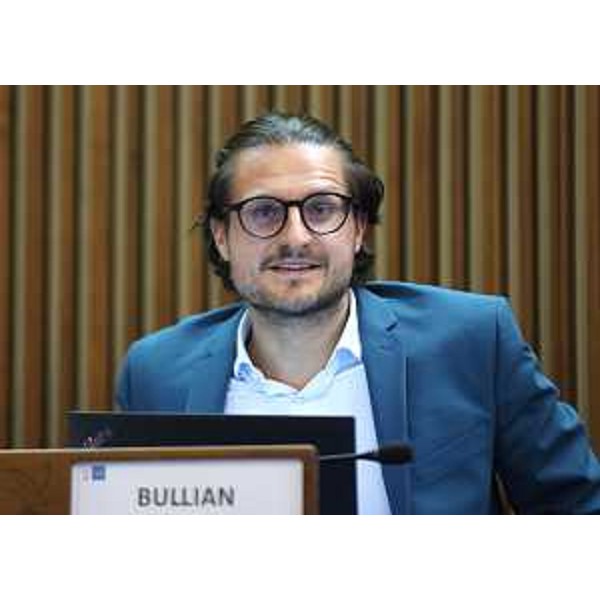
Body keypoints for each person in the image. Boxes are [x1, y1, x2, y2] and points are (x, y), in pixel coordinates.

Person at [116, 111, 600, 514]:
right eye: (263, 211)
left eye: (321, 209)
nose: (296, 237)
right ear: (222, 237)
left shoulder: (471, 341)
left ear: (359, 230)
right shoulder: (155, 372)